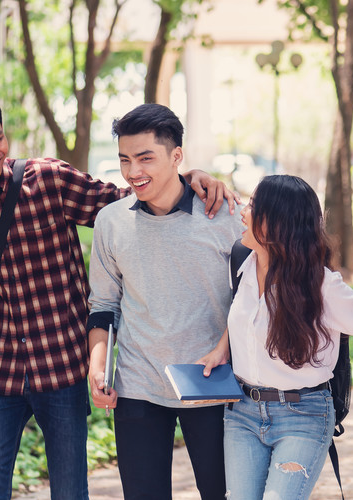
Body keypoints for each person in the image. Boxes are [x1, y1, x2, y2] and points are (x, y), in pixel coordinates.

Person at [0, 90, 236, 499]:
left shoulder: (47, 182)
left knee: (69, 492)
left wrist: (192, 179)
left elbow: (134, 201)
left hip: (61, 364)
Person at [197, 174, 353, 500]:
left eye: (253, 206)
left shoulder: (321, 287)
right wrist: (221, 349)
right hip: (242, 413)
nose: (243, 212)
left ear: (277, 222)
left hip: (302, 415)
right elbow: (243, 315)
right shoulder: (242, 261)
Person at [86, 103, 243, 500]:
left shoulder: (225, 214)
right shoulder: (111, 221)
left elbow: (254, 297)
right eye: (124, 160)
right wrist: (97, 366)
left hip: (214, 384)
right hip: (138, 387)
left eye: (145, 158)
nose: (133, 172)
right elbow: (104, 305)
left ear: (177, 156)